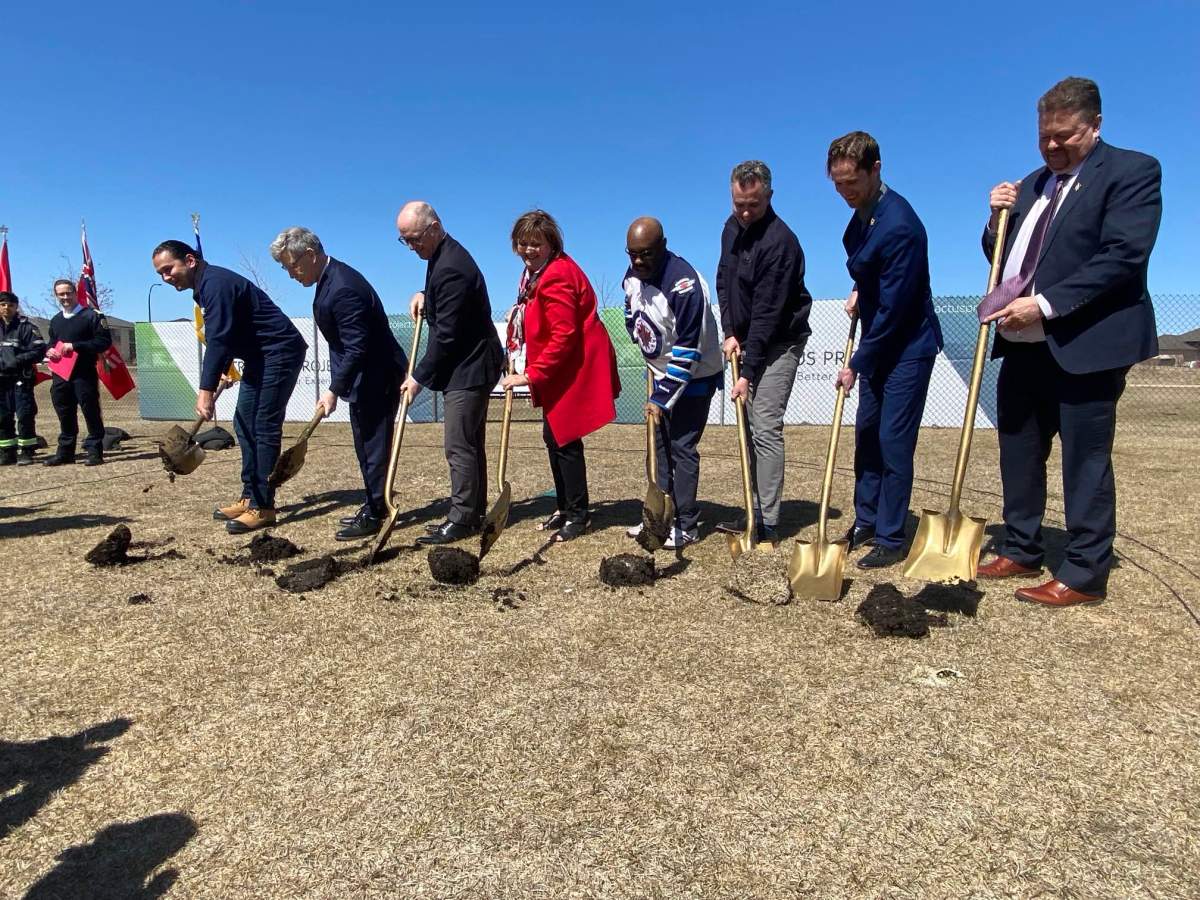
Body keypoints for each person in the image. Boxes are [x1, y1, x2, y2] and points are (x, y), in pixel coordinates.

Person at [977, 77, 1162, 606]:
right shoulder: (1032, 184)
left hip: (1088, 342)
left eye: (1065, 136)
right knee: (1019, 448)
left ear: (1096, 125)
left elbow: (1123, 256)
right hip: (1023, 342)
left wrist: (1046, 303)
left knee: (1084, 458)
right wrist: (995, 219)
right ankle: (1021, 545)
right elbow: (1001, 255)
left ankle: (1083, 572)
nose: (1053, 146)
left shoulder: (1132, 172)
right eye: (1044, 137)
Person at [828, 132, 943, 569]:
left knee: (894, 442)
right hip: (879, 342)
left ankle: (892, 537)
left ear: (875, 169)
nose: (845, 192)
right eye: (837, 184)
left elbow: (896, 309)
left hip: (907, 347)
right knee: (867, 436)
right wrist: (861, 287)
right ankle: (867, 519)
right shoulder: (862, 216)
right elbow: (872, 272)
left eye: (851, 182)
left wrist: (857, 363)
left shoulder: (901, 225)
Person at [152, 239, 308, 534]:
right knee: (243, 421)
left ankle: (263, 507)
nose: (165, 277)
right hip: (258, 357)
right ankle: (249, 494)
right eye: (160, 274)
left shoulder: (216, 284)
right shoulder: (205, 288)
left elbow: (220, 338)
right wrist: (224, 368)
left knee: (263, 424)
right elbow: (227, 333)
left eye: (168, 269)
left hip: (279, 353)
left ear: (190, 260)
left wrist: (205, 390)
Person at [270, 227, 408, 541]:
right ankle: (373, 503)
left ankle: (376, 511)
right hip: (364, 377)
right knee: (365, 445)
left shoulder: (343, 287)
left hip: (376, 376)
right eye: (284, 267)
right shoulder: (328, 280)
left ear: (311, 254)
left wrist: (333, 390)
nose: (290, 273)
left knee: (374, 446)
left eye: (291, 265)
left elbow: (357, 346)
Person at [500, 209, 620, 542]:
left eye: (536, 243)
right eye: (523, 243)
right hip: (562, 366)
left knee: (564, 439)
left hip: (574, 365)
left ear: (551, 243)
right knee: (554, 437)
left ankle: (578, 516)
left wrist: (531, 375)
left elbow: (565, 334)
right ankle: (566, 508)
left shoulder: (557, 275)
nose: (528, 250)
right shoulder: (535, 274)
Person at [715, 160, 813, 544]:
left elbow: (768, 313)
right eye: (739, 203)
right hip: (746, 339)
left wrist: (747, 373)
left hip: (780, 341)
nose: (744, 212)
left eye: (753, 205)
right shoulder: (730, 228)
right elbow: (724, 279)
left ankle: (768, 521)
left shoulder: (780, 242)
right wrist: (728, 332)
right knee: (748, 425)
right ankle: (751, 507)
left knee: (765, 424)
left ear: (769, 196)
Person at [395, 202, 505, 546]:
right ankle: (471, 512)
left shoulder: (452, 266)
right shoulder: (441, 258)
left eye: (414, 239)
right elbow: (446, 303)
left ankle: (462, 519)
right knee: (469, 444)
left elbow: (447, 335)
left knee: (458, 445)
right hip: (468, 364)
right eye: (405, 241)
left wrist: (418, 378)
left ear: (434, 227)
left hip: (470, 367)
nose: (412, 247)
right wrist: (424, 294)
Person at [621, 217, 722, 549]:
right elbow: (631, 312)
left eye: (646, 254)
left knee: (681, 446)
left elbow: (688, 348)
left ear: (662, 246)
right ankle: (658, 516)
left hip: (695, 373)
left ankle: (686, 523)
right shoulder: (632, 276)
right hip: (663, 371)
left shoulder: (684, 284)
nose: (638, 261)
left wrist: (662, 396)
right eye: (632, 253)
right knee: (661, 445)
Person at [43, 280, 111, 467]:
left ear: (75, 292)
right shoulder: (56, 320)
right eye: (61, 294)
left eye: (68, 293)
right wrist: (49, 350)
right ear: (56, 296)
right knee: (64, 412)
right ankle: (65, 452)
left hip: (84, 373)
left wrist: (75, 346)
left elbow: (104, 342)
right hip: (61, 375)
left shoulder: (92, 316)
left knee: (90, 411)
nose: (65, 298)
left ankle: (94, 451)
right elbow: (52, 342)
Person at [0, 291, 46, 466]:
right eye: (3, 304)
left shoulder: (26, 327)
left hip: (21, 378)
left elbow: (39, 350)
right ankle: (7, 452)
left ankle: (26, 451)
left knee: (25, 414)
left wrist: (16, 360)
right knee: (2, 417)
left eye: (10, 305)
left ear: (16, 307)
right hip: (1, 380)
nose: (6, 308)